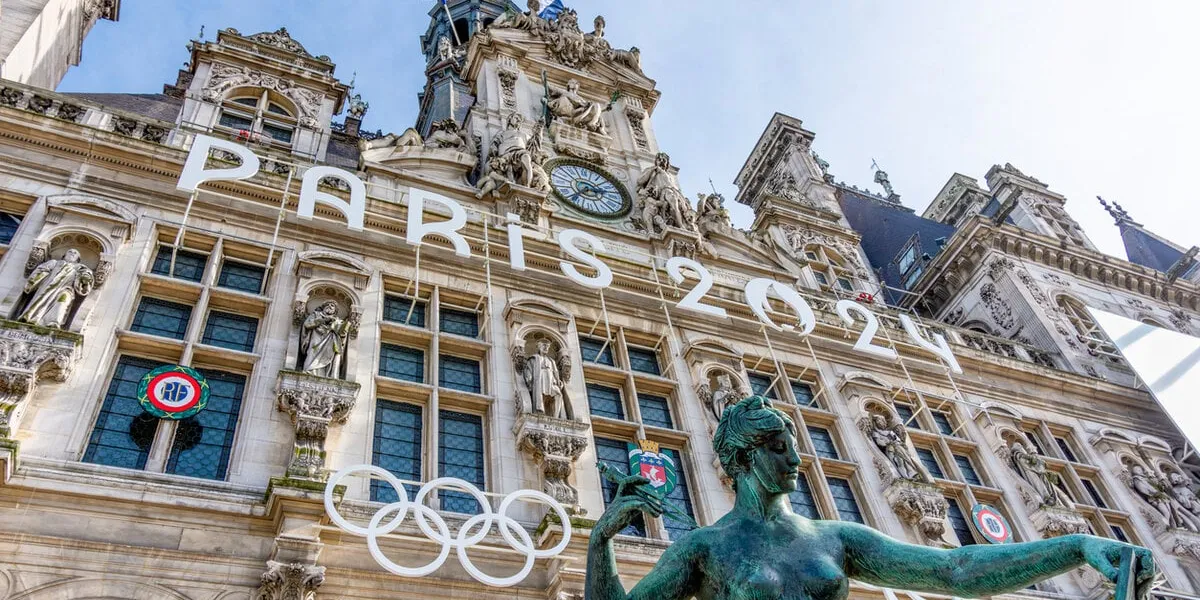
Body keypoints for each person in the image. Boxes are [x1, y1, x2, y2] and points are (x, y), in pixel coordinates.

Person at [588, 395, 1156, 600]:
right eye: (777, 447)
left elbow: (956, 570)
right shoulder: (704, 551)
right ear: (739, 459)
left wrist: (1075, 546)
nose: (796, 459)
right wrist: (600, 541)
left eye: (794, 445)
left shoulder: (836, 537)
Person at [18, 248, 94, 328]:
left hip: (66, 288)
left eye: (75, 253)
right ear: (64, 255)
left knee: (63, 300)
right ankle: (32, 317)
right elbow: (42, 269)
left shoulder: (79, 267)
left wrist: (85, 278)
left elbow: (86, 274)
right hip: (48, 286)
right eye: (70, 251)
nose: (72, 253)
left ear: (77, 258)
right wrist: (36, 278)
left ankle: (54, 322)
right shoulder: (54, 262)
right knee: (41, 299)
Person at [300, 301, 350, 378]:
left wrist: (342, 330)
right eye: (327, 305)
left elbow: (342, 335)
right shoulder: (316, 315)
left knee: (332, 354)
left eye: (332, 305)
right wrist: (323, 320)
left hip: (331, 340)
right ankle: (310, 370)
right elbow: (307, 324)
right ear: (323, 307)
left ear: (335, 310)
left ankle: (327, 375)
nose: (329, 306)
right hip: (316, 337)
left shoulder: (337, 320)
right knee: (313, 351)